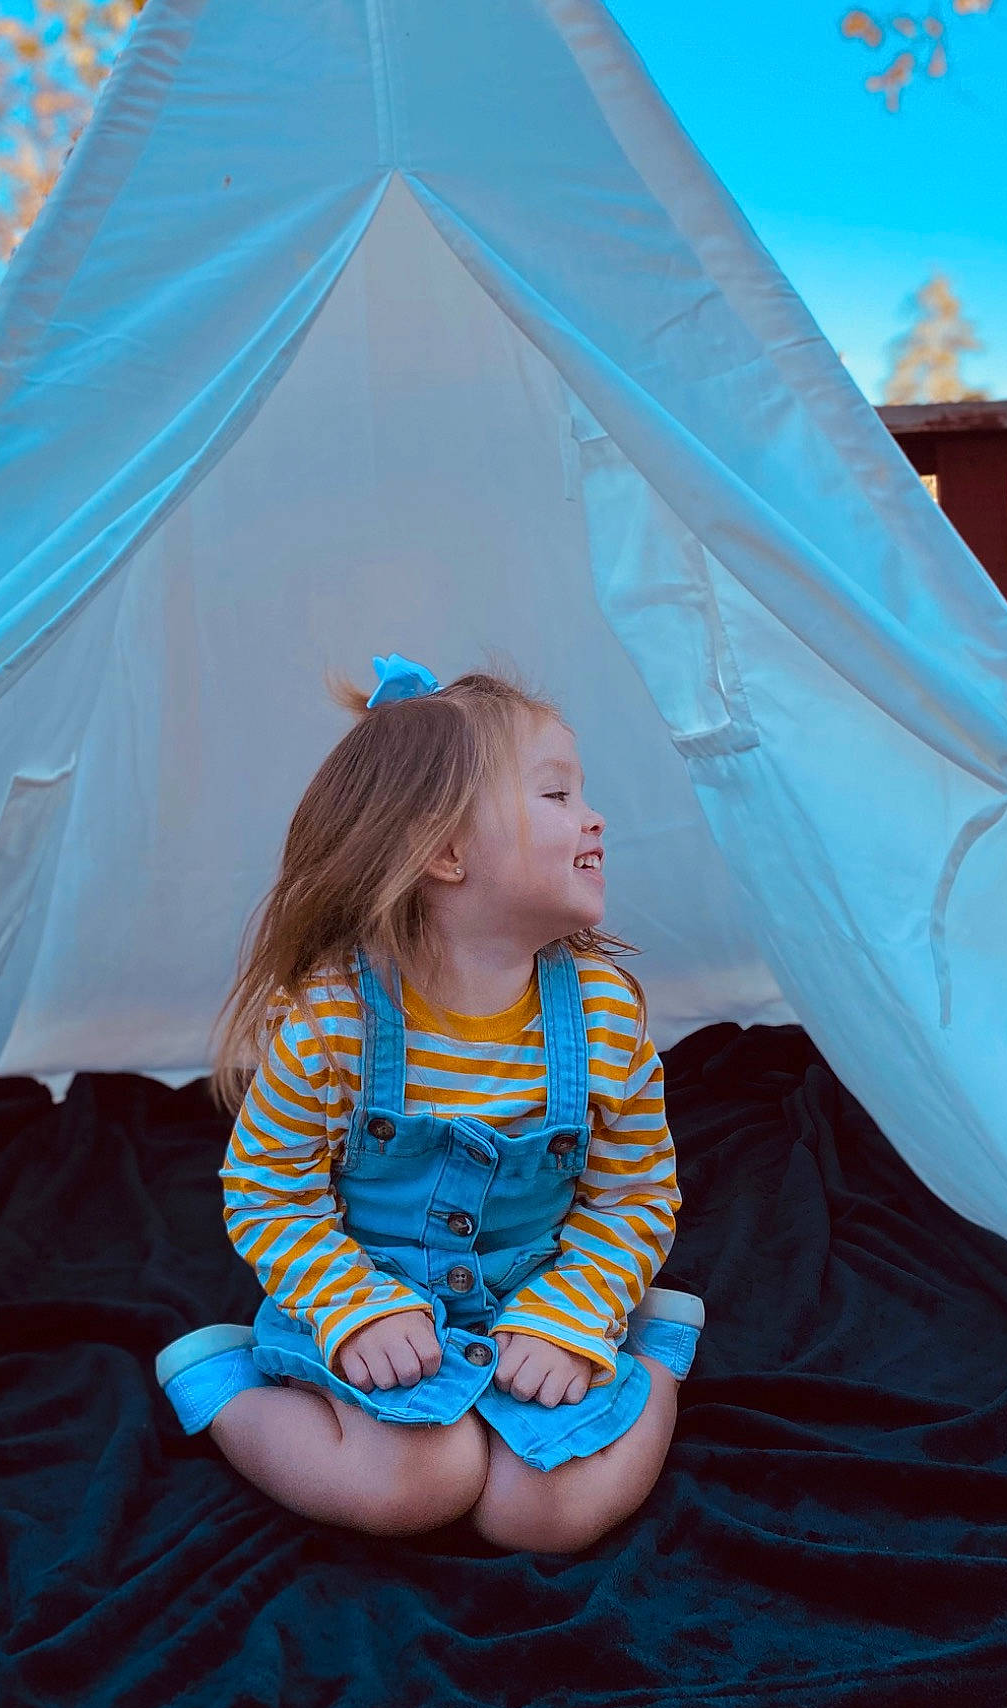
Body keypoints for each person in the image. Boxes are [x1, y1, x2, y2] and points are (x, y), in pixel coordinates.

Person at [155, 655, 705, 1551]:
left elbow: (633, 1196)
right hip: (374, 1306)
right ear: (443, 852)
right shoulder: (336, 1023)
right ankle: (223, 1389)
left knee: (544, 1518)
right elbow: (268, 1189)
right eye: (556, 795)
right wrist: (357, 1308)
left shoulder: (604, 1019)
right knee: (419, 1483)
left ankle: (659, 1357)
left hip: (541, 1297)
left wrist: (572, 1314)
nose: (594, 816)